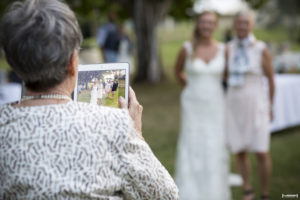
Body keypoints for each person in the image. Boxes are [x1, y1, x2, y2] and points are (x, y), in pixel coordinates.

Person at [0, 0, 179, 199]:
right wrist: (135, 135)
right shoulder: (115, 126)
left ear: (14, 64)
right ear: (72, 63)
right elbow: (165, 195)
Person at [174, 10, 230, 200]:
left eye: (211, 22)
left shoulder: (224, 49)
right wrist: (190, 87)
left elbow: (228, 76)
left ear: (215, 25)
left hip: (216, 102)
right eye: (203, 22)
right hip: (193, 103)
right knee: (192, 142)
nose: (207, 26)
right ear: (198, 24)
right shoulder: (187, 48)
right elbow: (177, 71)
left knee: (214, 142)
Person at [225, 11, 275, 200]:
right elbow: (223, 75)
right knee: (240, 149)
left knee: (261, 151)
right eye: (239, 23)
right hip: (234, 104)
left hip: (257, 104)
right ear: (234, 25)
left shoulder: (261, 48)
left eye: (246, 23)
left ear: (251, 25)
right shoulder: (228, 48)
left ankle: (265, 193)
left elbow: (271, 80)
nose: (242, 26)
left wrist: (271, 106)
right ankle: (247, 189)